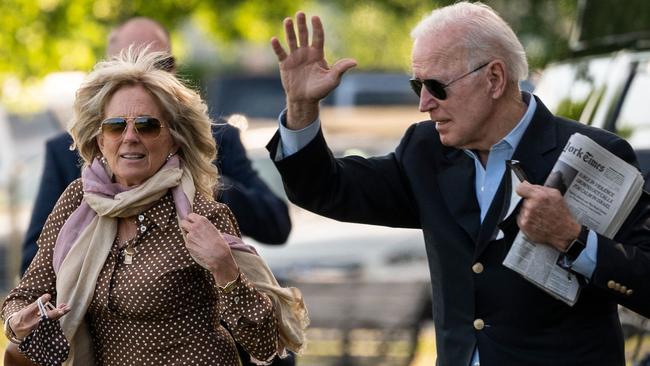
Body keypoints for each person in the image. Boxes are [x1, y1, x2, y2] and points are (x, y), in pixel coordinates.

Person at [268, 3, 650, 366]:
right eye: (416, 84)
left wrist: (573, 237)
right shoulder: (424, 152)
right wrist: (302, 109)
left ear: (495, 78)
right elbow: (328, 189)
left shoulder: (594, 153)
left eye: (436, 85)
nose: (424, 103)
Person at [2, 50, 307, 365]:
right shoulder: (78, 200)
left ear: (174, 139)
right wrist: (18, 321)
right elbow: (24, 294)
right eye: (116, 126)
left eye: (147, 125)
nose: (130, 137)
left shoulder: (203, 215)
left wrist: (225, 269)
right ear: (100, 138)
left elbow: (264, 344)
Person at [20, 17, 291, 275]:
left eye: (159, 63)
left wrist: (201, 180)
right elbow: (35, 264)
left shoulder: (217, 137)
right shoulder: (68, 150)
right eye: (131, 63)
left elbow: (276, 226)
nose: (144, 75)